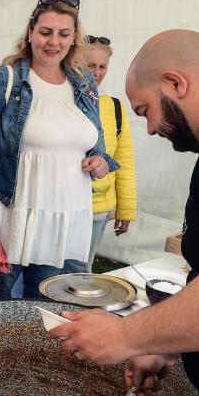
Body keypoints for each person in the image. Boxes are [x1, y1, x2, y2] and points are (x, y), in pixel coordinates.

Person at [50, 30, 199, 396]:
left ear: (175, 83)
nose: (152, 128)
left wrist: (128, 336)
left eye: (145, 110)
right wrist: (166, 342)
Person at [0, 0, 118, 299]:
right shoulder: (5, 79)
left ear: (74, 39)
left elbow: (94, 141)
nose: (53, 42)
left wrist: (99, 159)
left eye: (63, 34)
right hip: (14, 210)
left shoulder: (84, 82)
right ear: (30, 33)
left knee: (46, 298)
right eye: (46, 32)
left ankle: (31, 349)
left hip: (65, 213)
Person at [63, 35, 137, 274]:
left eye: (102, 66)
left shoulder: (114, 106)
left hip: (97, 208)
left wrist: (125, 209)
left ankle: (72, 313)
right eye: (89, 65)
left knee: (79, 270)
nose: (96, 72)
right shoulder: (60, 99)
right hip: (59, 202)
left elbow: (124, 160)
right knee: (43, 268)